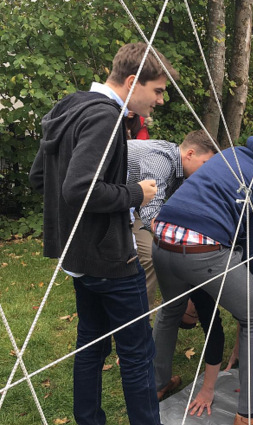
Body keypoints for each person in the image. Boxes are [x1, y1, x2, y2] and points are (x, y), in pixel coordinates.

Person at [29, 42, 178, 425]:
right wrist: (136, 192)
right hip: (110, 259)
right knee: (136, 353)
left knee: (91, 344)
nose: (160, 101)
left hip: (79, 254)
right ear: (132, 81)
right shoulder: (105, 117)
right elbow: (79, 189)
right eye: (158, 90)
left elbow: (39, 178)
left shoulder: (70, 106)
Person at [151, 130, 253, 425]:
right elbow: (252, 249)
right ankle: (252, 415)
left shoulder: (232, 153)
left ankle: (155, 385)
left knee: (170, 309)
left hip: (162, 236)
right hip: (201, 249)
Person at [126, 131, 226, 412]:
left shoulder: (181, 169)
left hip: (129, 204)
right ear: (190, 154)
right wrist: (184, 245)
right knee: (152, 258)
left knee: (171, 297)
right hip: (124, 207)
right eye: (207, 164)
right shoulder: (161, 161)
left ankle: (157, 379)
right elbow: (151, 211)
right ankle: (134, 339)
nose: (208, 172)